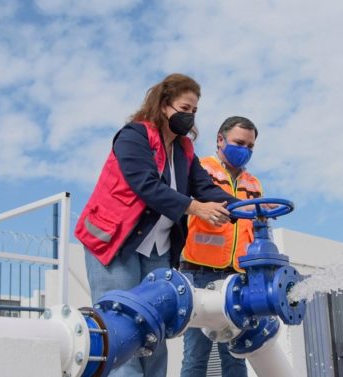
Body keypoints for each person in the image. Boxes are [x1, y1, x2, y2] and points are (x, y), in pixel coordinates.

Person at [75, 73, 239, 377]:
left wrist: (245, 208)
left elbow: (204, 187)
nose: (189, 116)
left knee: (155, 329)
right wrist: (194, 208)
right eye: (184, 108)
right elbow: (144, 184)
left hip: (156, 250)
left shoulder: (184, 150)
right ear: (164, 105)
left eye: (194, 111)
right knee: (122, 328)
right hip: (115, 243)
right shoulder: (134, 136)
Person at [179, 116, 262, 377]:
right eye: (239, 142)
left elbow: (255, 229)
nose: (245, 150)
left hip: (237, 277)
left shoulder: (254, 184)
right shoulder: (200, 169)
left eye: (250, 146)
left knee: (236, 353)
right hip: (199, 273)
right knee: (196, 354)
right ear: (220, 140)